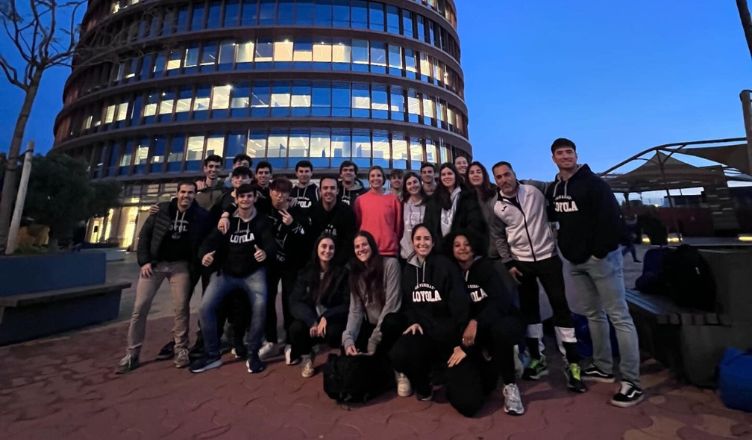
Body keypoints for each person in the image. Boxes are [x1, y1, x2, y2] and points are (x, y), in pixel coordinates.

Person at [546, 137, 643, 407]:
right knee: (593, 314)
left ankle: (632, 381)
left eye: (569, 152)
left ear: (576, 155)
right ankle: (602, 366)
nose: (565, 157)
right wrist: (566, 250)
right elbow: (557, 221)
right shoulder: (554, 189)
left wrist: (598, 252)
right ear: (553, 158)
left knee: (619, 316)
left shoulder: (594, 184)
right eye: (560, 153)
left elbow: (612, 220)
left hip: (600, 260)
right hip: (574, 261)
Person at [492, 161, 586, 393]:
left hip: (547, 257)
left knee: (560, 307)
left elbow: (557, 188)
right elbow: (498, 236)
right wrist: (509, 262)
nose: (504, 180)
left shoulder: (533, 189)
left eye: (507, 174)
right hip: (522, 262)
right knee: (530, 311)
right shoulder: (497, 207)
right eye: (499, 177)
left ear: (515, 173)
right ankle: (537, 357)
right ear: (495, 181)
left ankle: (572, 362)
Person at [389, 224, 487, 417]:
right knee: (398, 353)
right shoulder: (409, 270)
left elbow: (460, 307)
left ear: (433, 242)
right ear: (412, 243)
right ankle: (423, 387)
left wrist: (462, 345)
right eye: (418, 239)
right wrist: (412, 321)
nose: (422, 242)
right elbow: (408, 304)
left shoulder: (445, 266)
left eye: (426, 238)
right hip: (425, 336)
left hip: (451, 342)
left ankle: (451, 377)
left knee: (469, 405)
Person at [117, 182, 209, 374]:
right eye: (183, 192)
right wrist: (145, 262)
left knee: (181, 308)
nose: (187, 196)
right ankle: (132, 353)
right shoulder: (162, 210)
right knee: (140, 308)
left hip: (180, 266)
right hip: (156, 265)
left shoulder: (200, 215)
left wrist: (197, 262)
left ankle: (181, 348)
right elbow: (144, 236)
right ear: (177, 194)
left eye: (191, 193)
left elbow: (204, 240)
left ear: (195, 194)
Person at [191, 183, 275, 374]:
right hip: (226, 273)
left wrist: (265, 253)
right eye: (242, 197)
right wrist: (205, 255)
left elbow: (270, 244)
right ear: (236, 199)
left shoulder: (262, 221)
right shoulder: (226, 222)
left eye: (249, 196)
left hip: (253, 273)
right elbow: (209, 242)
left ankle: (253, 352)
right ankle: (212, 354)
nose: (245, 200)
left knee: (261, 305)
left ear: (255, 198)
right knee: (205, 307)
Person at [448, 231, 526, 415]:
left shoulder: (487, 267)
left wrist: (477, 321)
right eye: (457, 245)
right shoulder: (453, 274)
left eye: (466, 244)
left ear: (474, 247)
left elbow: (501, 302)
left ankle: (510, 387)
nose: (462, 248)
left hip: (501, 321)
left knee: (501, 331)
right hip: (476, 334)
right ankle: (494, 363)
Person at [341, 231, 408, 395]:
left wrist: (373, 340)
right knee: (348, 350)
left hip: (392, 325)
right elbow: (355, 311)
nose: (361, 249)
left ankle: (401, 371)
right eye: (357, 246)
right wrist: (348, 339)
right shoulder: (355, 274)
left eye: (364, 244)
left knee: (391, 323)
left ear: (372, 246)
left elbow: (392, 305)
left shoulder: (390, 265)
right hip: (372, 325)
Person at [257, 177, 311, 361]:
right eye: (276, 191)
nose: (280, 196)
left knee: (290, 302)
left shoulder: (296, 210)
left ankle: (290, 341)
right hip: (269, 264)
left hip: (291, 264)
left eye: (284, 192)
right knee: (267, 301)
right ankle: (271, 340)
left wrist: (292, 224)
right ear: (270, 192)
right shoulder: (263, 208)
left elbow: (305, 235)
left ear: (290, 194)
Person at [288, 234, 350, 377]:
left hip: (332, 319)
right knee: (295, 328)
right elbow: (295, 301)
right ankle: (307, 356)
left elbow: (348, 303)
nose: (327, 251)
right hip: (311, 320)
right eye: (324, 246)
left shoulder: (342, 273)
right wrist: (312, 321)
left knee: (335, 332)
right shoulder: (306, 272)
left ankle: (339, 358)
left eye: (331, 248)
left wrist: (326, 317)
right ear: (317, 248)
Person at [423, 163, 486, 254]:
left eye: (449, 173)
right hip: (439, 251)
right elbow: (428, 225)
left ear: (455, 175)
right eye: (443, 174)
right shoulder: (433, 200)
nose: (446, 177)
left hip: (462, 250)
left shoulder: (468, 196)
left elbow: (474, 223)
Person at [353, 166, 402, 258]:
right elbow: (358, 224)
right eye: (372, 176)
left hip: (389, 251)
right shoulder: (360, 200)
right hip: (367, 252)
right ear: (368, 179)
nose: (375, 178)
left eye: (379, 175)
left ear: (383, 178)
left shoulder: (393, 199)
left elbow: (398, 226)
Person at [309, 176, 357, 266]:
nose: (329, 191)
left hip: (340, 264)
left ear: (338, 191)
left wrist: (337, 264)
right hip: (317, 263)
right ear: (320, 191)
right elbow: (310, 241)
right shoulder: (312, 211)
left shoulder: (347, 212)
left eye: (332, 188)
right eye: (325, 188)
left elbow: (349, 242)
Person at [467, 161, 506, 259]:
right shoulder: (466, 200)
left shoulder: (496, 193)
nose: (475, 175)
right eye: (471, 173)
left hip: (501, 250)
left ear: (484, 174)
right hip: (479, 254)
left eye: (478, 172)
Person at [399, 172, 427, 263]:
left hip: (426, 253)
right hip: (407, 254)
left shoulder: (430, 203)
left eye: (415, 182)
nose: (412, 185)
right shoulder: (402, 204)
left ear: (420, 183)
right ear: (406, 187)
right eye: (409, 183)